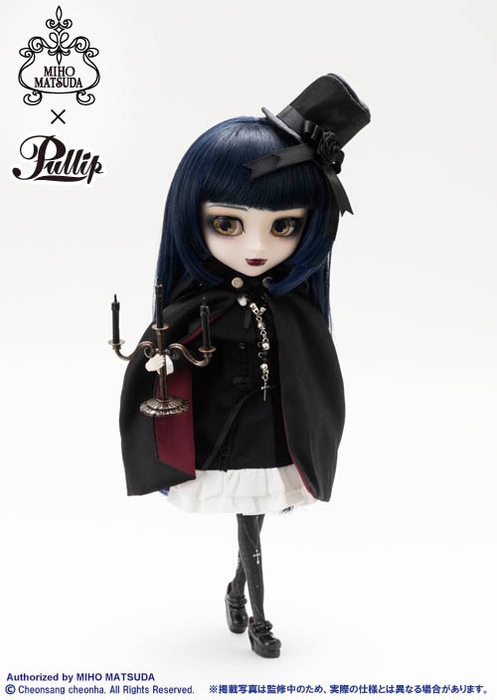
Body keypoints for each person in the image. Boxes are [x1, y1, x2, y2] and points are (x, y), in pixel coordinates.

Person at [118, 74, 370, 658]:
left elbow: (316, 375)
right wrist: (163, 357)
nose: (256, 248)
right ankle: (258, 617)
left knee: (253, 519)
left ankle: (236, 589)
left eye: (284, 226)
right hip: (225, 434)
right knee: (251, 522)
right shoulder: (196, 309)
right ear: (195, 218)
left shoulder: (295, 311)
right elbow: (165, 358)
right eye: (228, 224)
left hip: (274, 427)